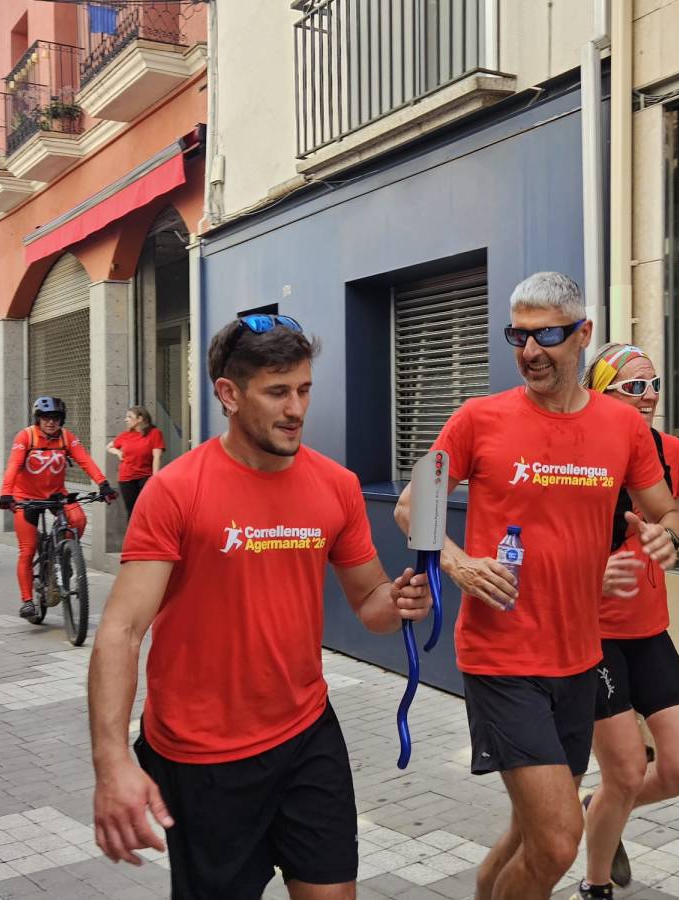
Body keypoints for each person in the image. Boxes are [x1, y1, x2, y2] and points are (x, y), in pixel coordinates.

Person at [89, 314, 432, 900]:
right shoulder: (177, 490)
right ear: (228, 394)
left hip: (305, 734)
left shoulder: (336, 486)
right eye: (277, 392)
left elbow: (371, 605)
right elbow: (121, 631)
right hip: (200, 754)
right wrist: (111, 762)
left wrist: (401, 599)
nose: (296, 408)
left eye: (303, 390)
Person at [394, 273, 679, 900]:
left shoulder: (623, 427)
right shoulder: (479, 419)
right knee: (558, 840)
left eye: (547, 335)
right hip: (502, 659)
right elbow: (412, 506)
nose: (530, 351)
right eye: (518, 336)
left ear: (583, 335)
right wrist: (457, 562)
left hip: (579, 661)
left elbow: (669, 510)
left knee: (527, 839)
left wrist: (669, 535)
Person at [575, 343, 679, 898]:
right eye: (632, 386)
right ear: (599, 392)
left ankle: (598, 809)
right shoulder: (583, 457)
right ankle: (595, 886)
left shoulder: (670, 451)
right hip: (592, 636)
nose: (648, 397)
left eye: (654, 385)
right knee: (623, 770)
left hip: (648, 629)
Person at [0, 397, 118, 620]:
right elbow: (13, 465)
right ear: (38, 419)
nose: (51, 422)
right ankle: (27, 601)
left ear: (61, 420)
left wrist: (103, 484)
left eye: (55, 418)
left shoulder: (66, 437)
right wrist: (6, 493)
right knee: (27, 550)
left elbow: (86, 461)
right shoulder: (26, 436)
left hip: (56, 494)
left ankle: (62, 554)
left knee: (79, 520)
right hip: (26, 498)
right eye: (46, 418)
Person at [106, 406, 166, 517]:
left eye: (129, 416)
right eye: (125, 417)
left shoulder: (154, 433)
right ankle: (133, 534)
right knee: (133, 513)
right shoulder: (125, 435)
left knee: (147, 512)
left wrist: (155, 479)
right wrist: (118, 453)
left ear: (140, 419)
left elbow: (157, 457)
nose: (125, 419)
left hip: (146, 477)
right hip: (126, 479)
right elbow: (109, 447)